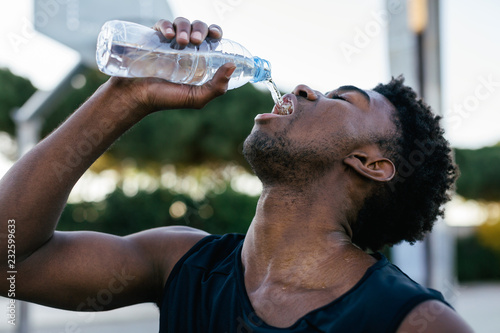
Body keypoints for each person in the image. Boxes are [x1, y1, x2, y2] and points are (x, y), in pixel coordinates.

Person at [0, 17, 473, 332]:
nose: (305, 89)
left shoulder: (411, 320)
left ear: (372, 164)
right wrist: (125, 96)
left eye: (342, 98)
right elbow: (10, 261)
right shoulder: (182, 264)